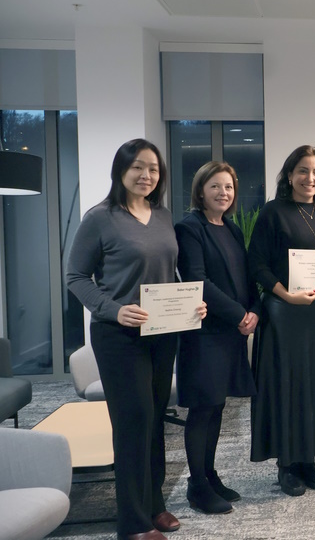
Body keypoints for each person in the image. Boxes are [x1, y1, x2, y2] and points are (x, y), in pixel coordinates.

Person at [67, 138, 206, 540]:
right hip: (118, 335)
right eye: (138, 168)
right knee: (133, 422)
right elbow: (76, 277)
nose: (147, 176)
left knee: (155, 417)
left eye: (154, 169)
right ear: (121, 171)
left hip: (162, 334)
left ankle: (154, 503)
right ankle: (132, 522)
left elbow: (170, 273)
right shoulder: (100, 218)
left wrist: (191, 303)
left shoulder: (162, 216)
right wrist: (113, 309)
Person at [248, 146, 315, 496]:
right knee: (288, 387)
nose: (310, 179)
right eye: (303, 171)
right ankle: (286, 465)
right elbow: (257, 264)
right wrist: (284, 294)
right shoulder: (272, 212)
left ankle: (308, 461)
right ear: (289, 174)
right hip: (285, 313)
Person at [174, 161, 260, 514]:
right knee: (202, 408)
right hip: (205, 333)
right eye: (215, 187)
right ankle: (196, 485)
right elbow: (198, 281)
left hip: (231, 333)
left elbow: (246, 275)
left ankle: (209, 474)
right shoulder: (189, 228)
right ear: (200, 191)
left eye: (228, 187)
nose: (223, 193)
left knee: (219, 406)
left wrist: (255, 309)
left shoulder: (231, 228)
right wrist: (240, 314)